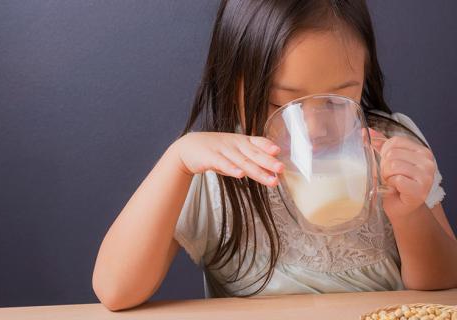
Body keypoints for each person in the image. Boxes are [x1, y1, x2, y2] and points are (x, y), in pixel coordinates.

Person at [92, 0, 457, 311]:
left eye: (340, 97)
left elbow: (443, 281)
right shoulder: (217, 168)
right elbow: (115, 290)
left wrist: (410, 214)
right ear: (232, 83)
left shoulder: (390, 145)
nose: (314, 129)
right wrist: (177, 160)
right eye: (281, 102)